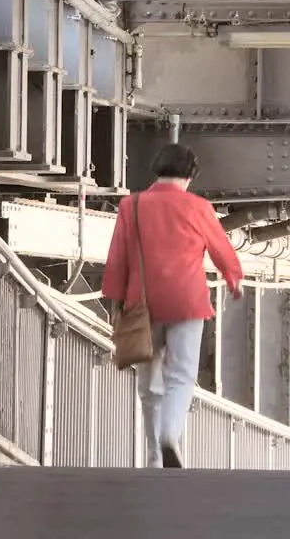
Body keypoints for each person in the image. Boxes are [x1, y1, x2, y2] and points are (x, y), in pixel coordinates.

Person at [101, 143, 244, 469]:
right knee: (180, 375)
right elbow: (221, 249)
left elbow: (118, 258)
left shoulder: (132, 205)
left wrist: (116, 301)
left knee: (148, 382)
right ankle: (170, 436)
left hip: (143, 302)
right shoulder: (199, 207)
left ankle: (154, 456)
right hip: (187, 302)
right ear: (190, 176)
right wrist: (233, 278)